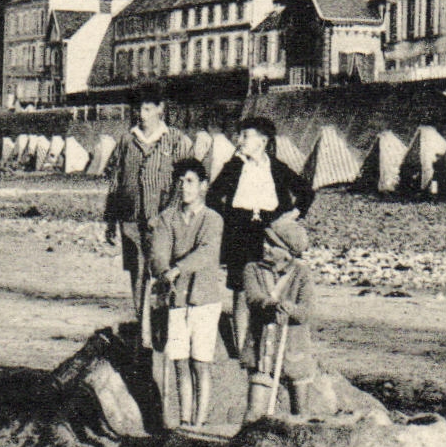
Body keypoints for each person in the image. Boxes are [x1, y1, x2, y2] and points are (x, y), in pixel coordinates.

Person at [207, 116, 313, 355]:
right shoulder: (233, 166)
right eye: (240, 135)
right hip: (239, 233)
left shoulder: (276, 167)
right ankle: (241, 348)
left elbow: (306, 191)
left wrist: (290, 217)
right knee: (241, 290)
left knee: (271, 289)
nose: (240, 140)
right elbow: (212, 197)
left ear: (262, 141)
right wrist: (230, 219)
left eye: (246, 136)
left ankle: (269, 345)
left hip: (270, 237)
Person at [103, 85, 195, 349]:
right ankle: (142, 332)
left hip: (163, 222)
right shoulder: (126, 141)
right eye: (138, 109)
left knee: (164, 274)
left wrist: (169, 215)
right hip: (130, 220)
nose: (141, 114)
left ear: (159, 109)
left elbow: (186, 182)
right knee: (137, 274)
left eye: (147, 108)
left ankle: (164, 331)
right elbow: (115, 180)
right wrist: (111, 218)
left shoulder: (176, 140)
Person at [150, 159, 223, 428]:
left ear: (203, 186)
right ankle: (183, 420)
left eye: (190, 181)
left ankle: (199, 422)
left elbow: (206, 252)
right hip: (176, 301)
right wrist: (163, 271)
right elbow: (159, 253)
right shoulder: (166, 218)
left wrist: (177, 268)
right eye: (180, 182)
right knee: (180, 363)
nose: (184, 187)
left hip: (204, 300)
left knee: (200, 364)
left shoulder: (213, 220)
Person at [240, 218, 319, 422]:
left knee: (300, 417)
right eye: (265, 241)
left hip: (294, 353)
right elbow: (253, 298)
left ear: (287, 251)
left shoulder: (302, 273)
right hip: (262, 353)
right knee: (253, 416)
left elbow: (307, 311)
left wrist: (291, 309)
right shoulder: (252, 269)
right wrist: (272, 305)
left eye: (272, 245)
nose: (265, 247)